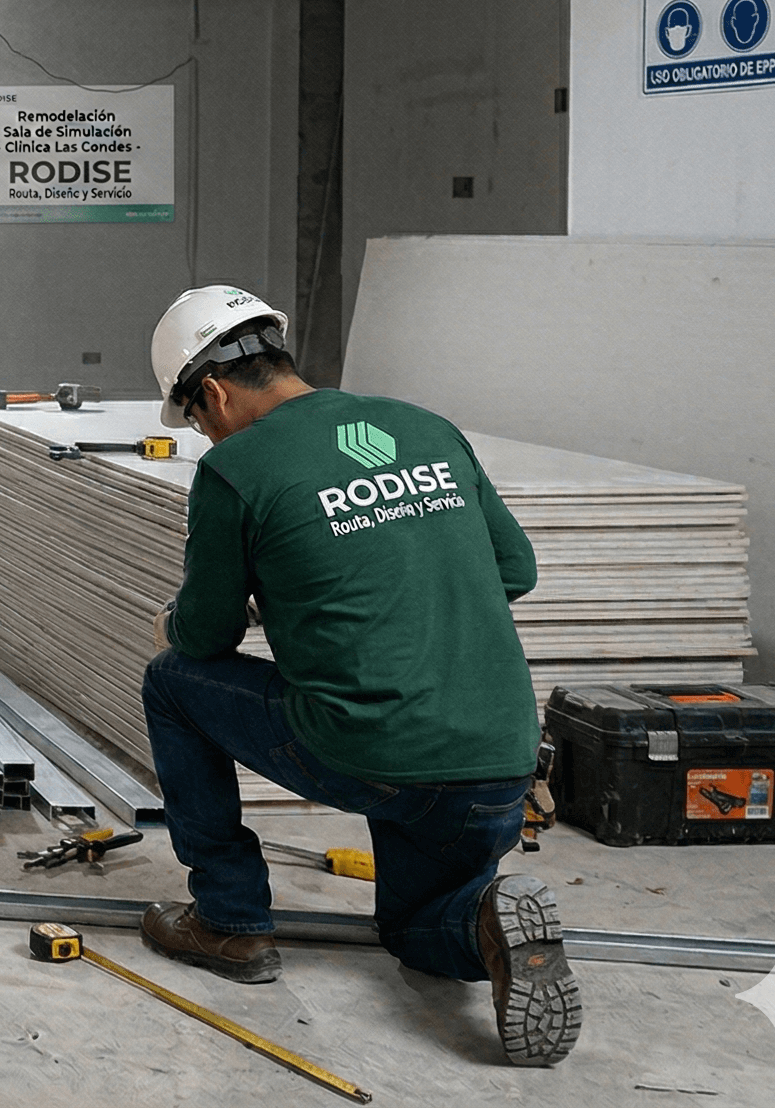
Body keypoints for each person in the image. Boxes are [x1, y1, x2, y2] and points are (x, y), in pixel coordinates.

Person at [137, 285, 580, 1067]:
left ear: (210, 392)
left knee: (172, 680)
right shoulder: (425, 427)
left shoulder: (239, 469)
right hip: (500, 759)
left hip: (371, 751)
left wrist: (178, 620)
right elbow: (516, 570)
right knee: (413, 933)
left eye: (198, 422)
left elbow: (206, 636)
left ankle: (230, 924)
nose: (206, 439)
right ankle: (489, 918)